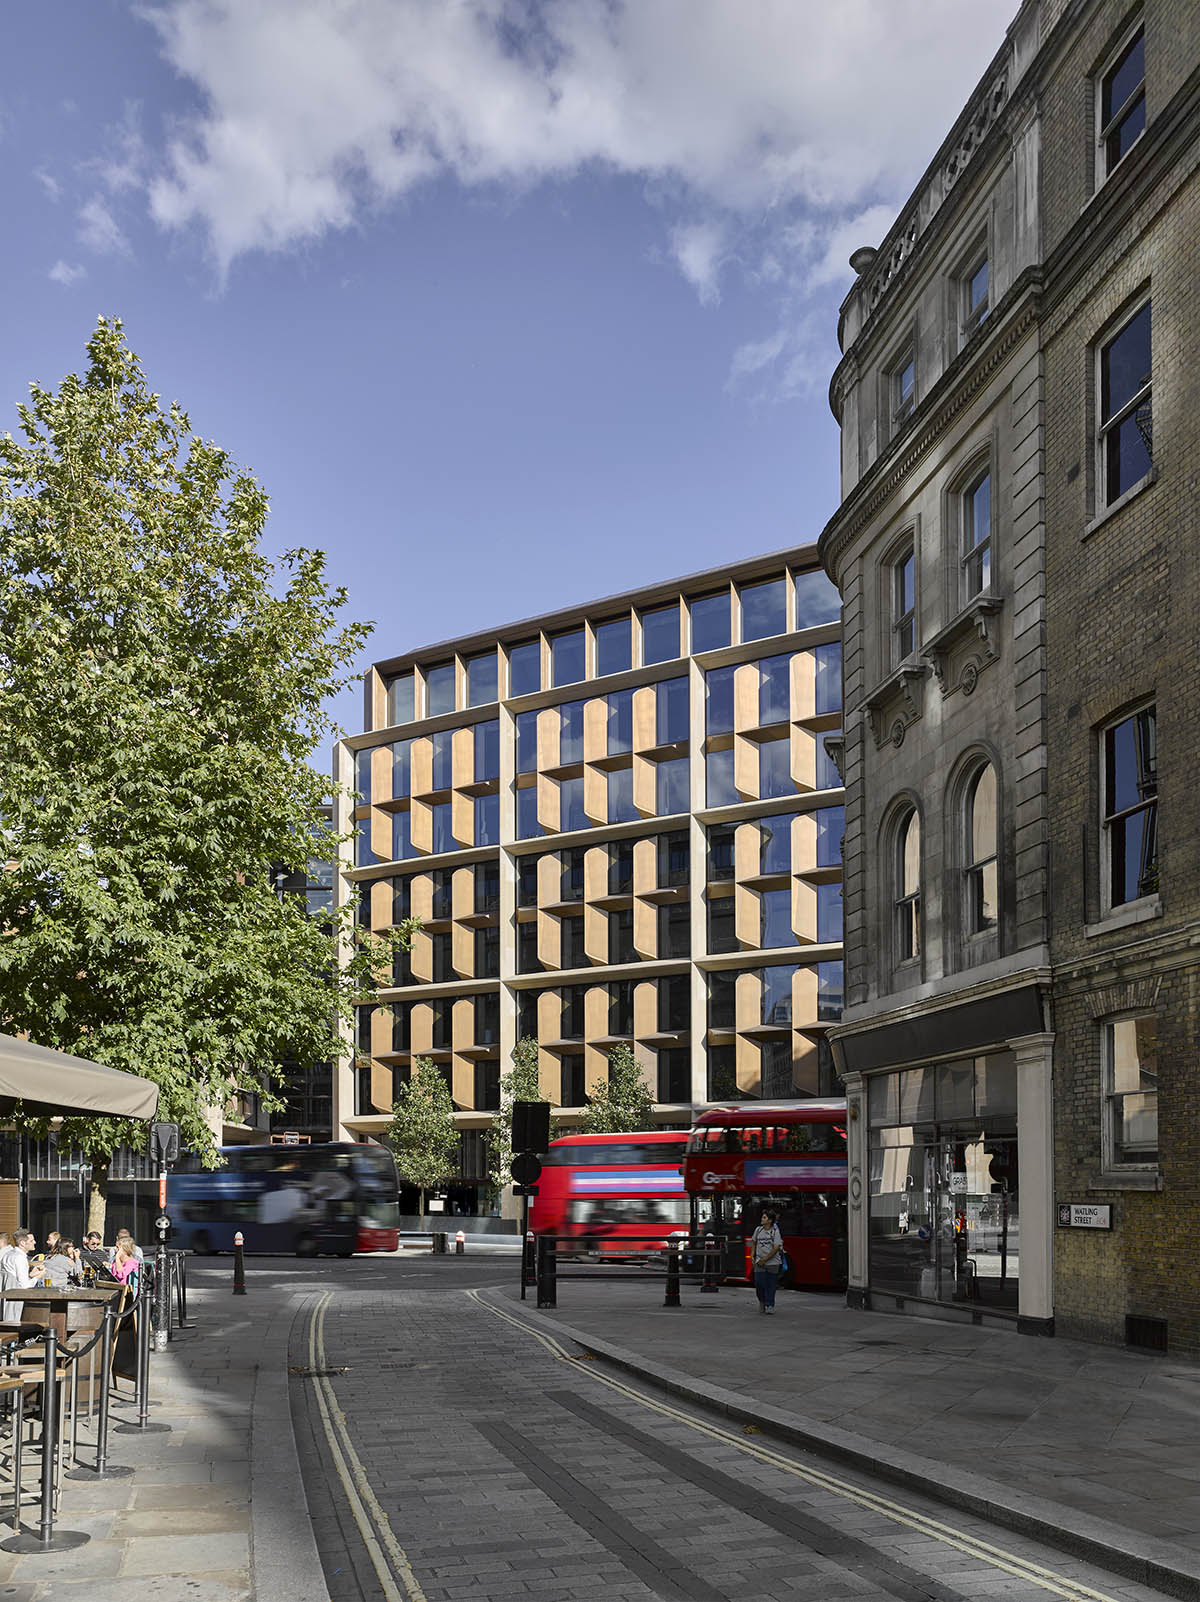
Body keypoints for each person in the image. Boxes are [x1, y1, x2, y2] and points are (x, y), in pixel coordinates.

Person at [751, 1208, 783, 1315]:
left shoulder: (775, 1232)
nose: (762, 1219)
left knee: (771, 1285)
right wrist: (752, 1255)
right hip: (759, 1261)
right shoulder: (758, 1230)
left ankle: (770, 1305)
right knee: (759, 1283)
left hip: (773, 1263)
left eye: (764, 1217)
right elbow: (754, 1243)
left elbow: (776, 1248)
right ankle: (762, 1300)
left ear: (769, 1220)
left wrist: (764, 1260)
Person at [0, 1229, 37, 1324]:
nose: (35, 1242)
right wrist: (37, 1277)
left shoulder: (8, 1254)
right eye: (31, 1241)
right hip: (16, 1302)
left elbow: (14, 1277)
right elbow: (25, 1286)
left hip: (6, 1300)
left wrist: (30, 1275)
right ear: (22, 1243)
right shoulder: (20, 1258)